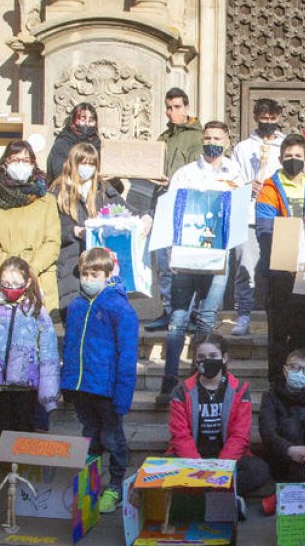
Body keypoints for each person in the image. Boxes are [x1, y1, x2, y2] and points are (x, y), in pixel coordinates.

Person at [0, 140, 61, 435]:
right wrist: (9, 271)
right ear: (5, 162)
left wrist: (28, 272)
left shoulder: (46, 199)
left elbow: (53, 241)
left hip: (36, 281)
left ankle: (36, 424)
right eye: (15, 158)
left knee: (35, 355)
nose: (21, 163)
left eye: (27, 159)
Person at [156, 122, 246, 405]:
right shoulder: (184, 174)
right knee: (178, 320)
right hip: (185, 256)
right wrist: (169, 251)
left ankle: (200, 379)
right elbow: (171, 213)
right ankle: (169, 381)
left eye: (217, 138)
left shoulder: (236, 174)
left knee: (207, 319)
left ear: (227, 141)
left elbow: (240, 215)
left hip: (217, 257)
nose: (211, 142)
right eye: (207, 137)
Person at [60, 247, 138, 513]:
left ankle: (115, 486)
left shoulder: (120, 308)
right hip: (82, 386)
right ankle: (90, 485)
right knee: (89, 437)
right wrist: (67, 382)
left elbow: (127, 355)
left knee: (113, 438)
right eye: (85, 274)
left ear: (108, 275)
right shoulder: (77, 306)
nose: (89, 279)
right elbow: (70, 346)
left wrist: (123, 396)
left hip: (106, 389)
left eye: (95, 274)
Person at [167, 334, 273, 512]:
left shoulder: (240, 389)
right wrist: (198, 466)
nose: (207, 361)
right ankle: (224, 497)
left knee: (259, 470)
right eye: (201, 357)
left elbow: (240, 436)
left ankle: (201, 495)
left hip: (227, 458)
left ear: (224, 358)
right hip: (193, 457)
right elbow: (180, 436)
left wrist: (221, 469)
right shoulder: (181, 391)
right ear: (195, 360)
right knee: (166, 466)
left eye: (213, 356)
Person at [255, 134, 305, 381]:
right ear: (280, 158)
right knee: (278, 333)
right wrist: (288, 257)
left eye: (297, 156)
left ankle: (302, 380)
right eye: (288, 156)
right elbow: (265, 230)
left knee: (304, 332)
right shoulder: (269, 188)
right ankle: (276, 382)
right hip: (279, 272)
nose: (293, 160)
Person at [0, 257, 60, 434]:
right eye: (6, 283)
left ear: (27, 281)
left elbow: (49, 354)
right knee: (2, 432)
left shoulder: (37, 311)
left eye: (16, 283)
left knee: (23, 434)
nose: (11, 288)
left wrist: (49, 395)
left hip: (26, 386)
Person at [50, 141, 129, 315]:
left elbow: (127, 211)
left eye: (91, 164)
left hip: (99, 263)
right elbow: (49, 229)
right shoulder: (57, 192)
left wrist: (145, 218)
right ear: (73, 163)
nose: (87, 168)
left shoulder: (103, 190)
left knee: (102, 316)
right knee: (74, 314)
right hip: (70, 262)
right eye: (83, 163)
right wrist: (73, 231)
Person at [231, 98, 286, 336]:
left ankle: (279, 313)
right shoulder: (242, 148)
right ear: (255, 118)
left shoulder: (286, 146)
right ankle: (243, 314)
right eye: (263, 119)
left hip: (278, 217)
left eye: (272, 119)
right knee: (245, 266)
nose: (268, 123)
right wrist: (246, 184)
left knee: (281, 268)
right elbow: (231, 179)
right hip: (249, 215)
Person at [151, 87, 204, 330]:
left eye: (177, 107)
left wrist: (171, 180)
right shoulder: (164, 137)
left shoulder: (197, 136)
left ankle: (190, 312)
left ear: (187, 107)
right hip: (162, 202)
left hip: (187, 204)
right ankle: (168, 309)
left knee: (185, 260)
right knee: (164, 262)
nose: (172, 112)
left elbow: (197, 171)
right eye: (169, 107)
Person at [259, 349, 305, 491]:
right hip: (283, 460)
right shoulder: (271, 396)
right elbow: (267, 431)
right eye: (295, 368)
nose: (299, 374)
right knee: (290, 425)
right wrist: (289, 449)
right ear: (285, 370)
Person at [46, 102, 101, 181]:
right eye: (82, 119)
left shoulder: (96, 142)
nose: (86, 123)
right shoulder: (63, 142)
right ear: (74, 120)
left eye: (91, 120)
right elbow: (59, 173)